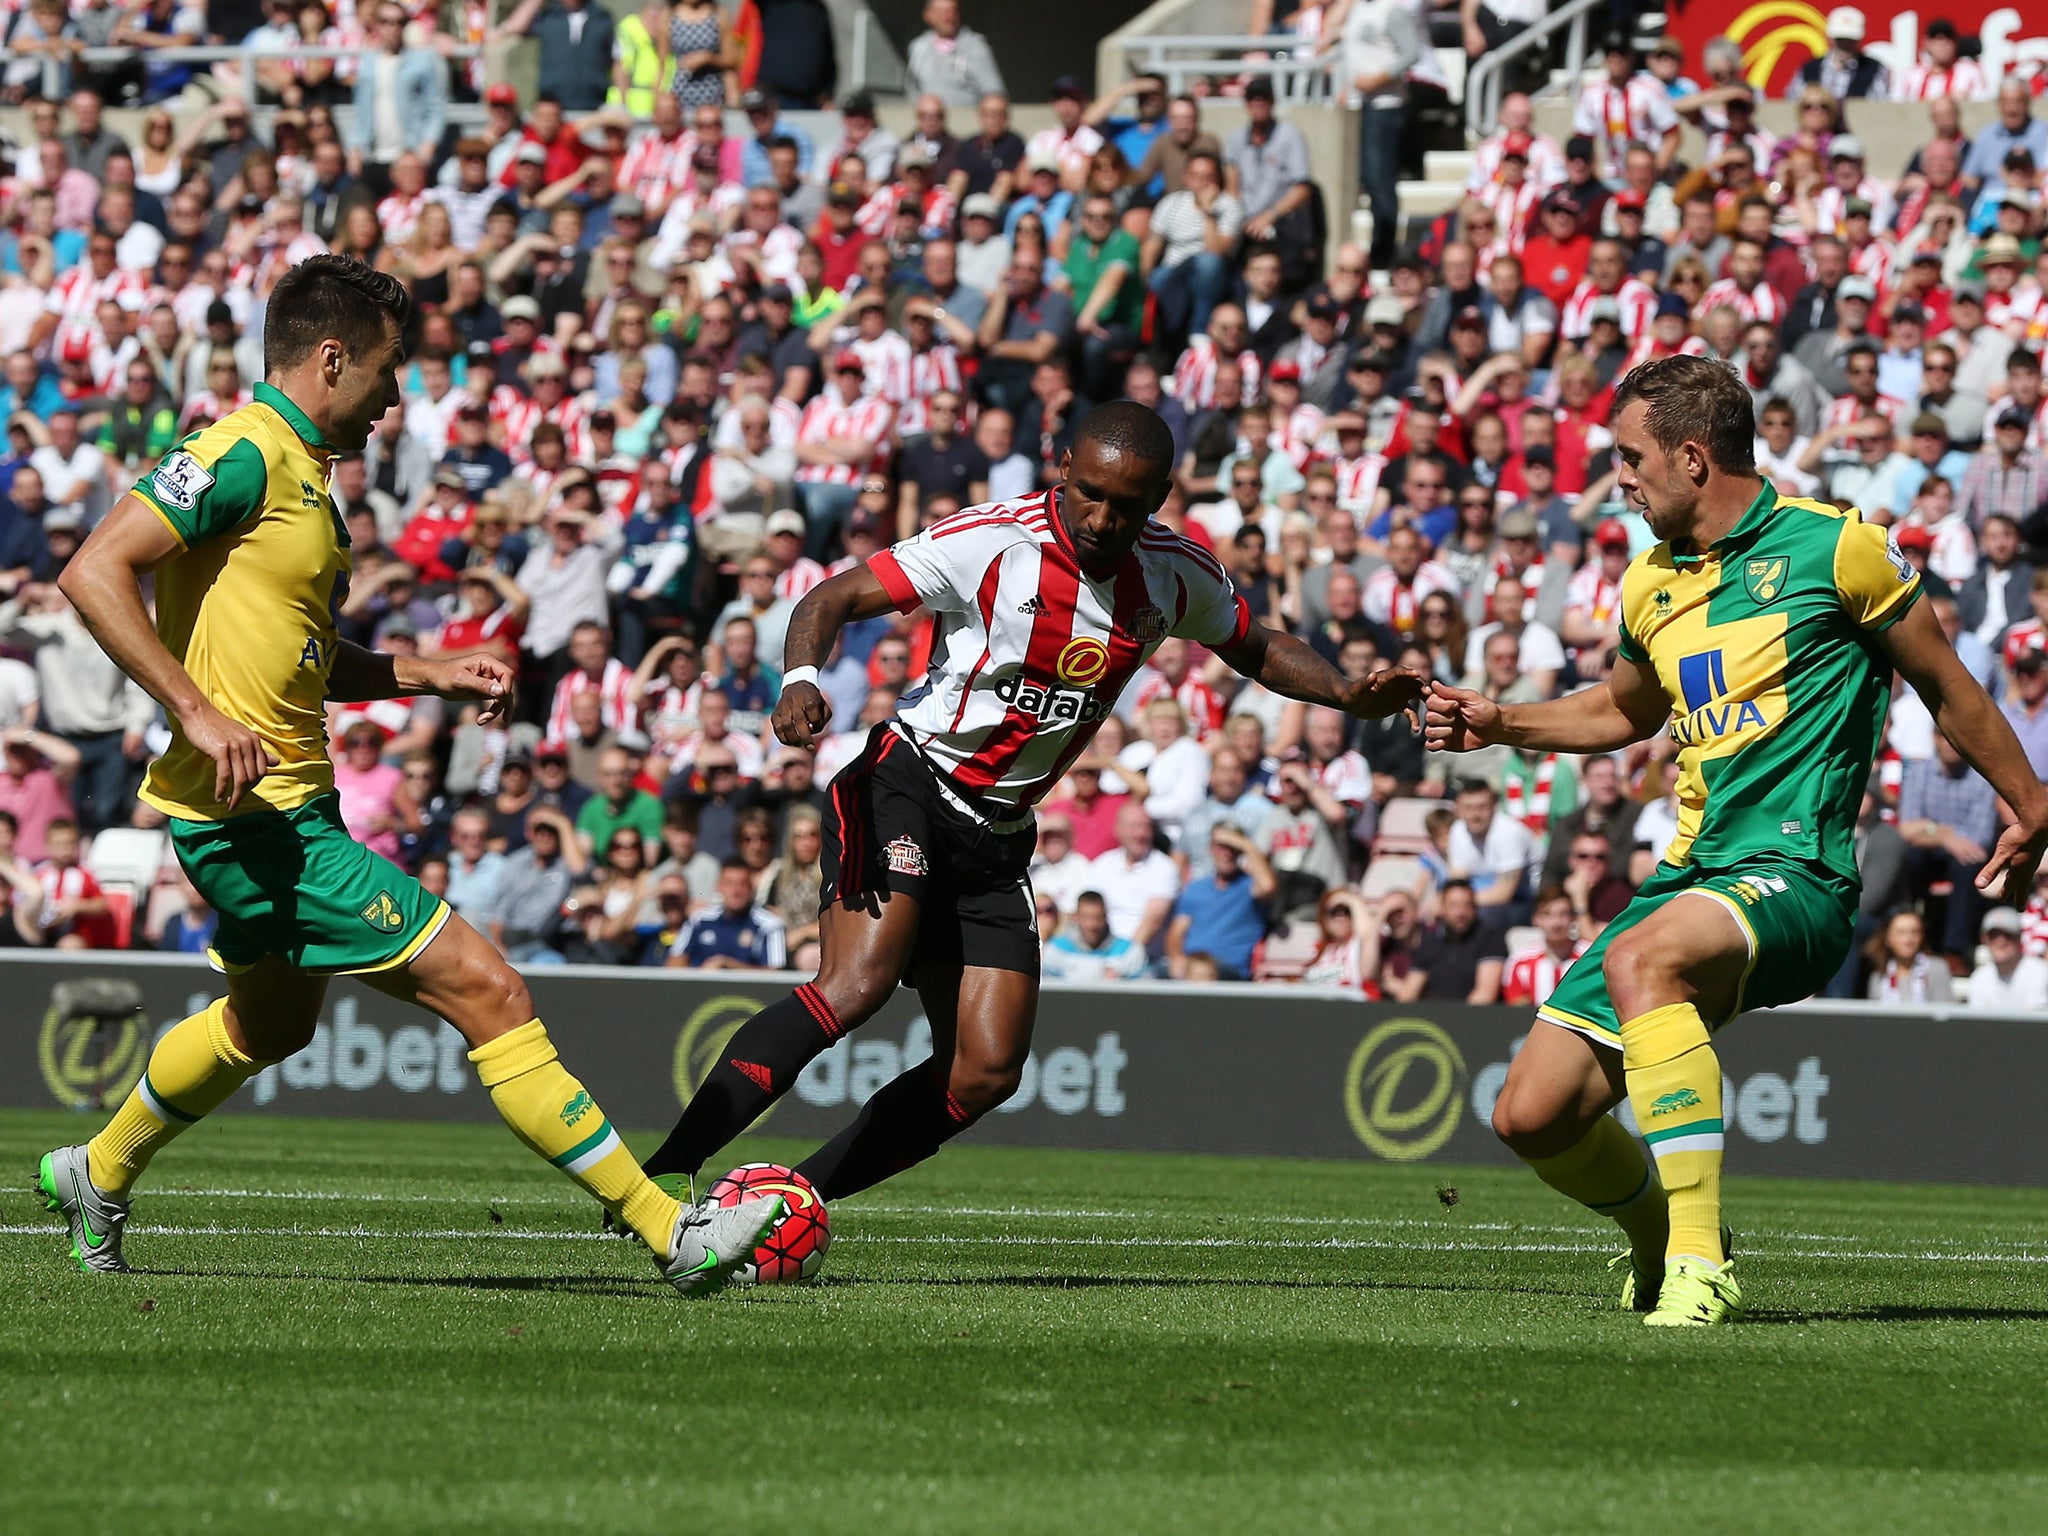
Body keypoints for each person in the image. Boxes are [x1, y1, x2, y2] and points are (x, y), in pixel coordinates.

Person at [35, 256, 780, 1294]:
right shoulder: (239, 452)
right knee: (491, 989)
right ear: (331, 359)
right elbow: (92, 569)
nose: (396, 399)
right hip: (263, 821)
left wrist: (417, 671)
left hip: (279, 804)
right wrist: (194, 712)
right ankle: (673, 1230)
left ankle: (95, 1170)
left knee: (271, 1023)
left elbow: (287, 644)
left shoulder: (302, 473)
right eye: (387, 372)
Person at [631, 401, 1425, 1205]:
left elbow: (1257, 646)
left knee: (985, 1072)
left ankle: (782, 1204)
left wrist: (1347, 693)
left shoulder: (1174, 571)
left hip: (998, 834)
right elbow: (828, 600)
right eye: (1091, 492)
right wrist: (800, 678)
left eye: (1129, 503)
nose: (1104, 516)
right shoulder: (991, 540)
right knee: (857, 986)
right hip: (908, 781)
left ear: (1161, 497)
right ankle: (663, 1174)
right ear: (1063, 467)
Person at [1425, 354, 2048, 1325]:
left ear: (1688, 457)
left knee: (1643, 959)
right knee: (1529, 1113)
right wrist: (1500, 722)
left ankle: (1698, 1262)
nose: (1617, 480)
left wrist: (2028, 799)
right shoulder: (1648, 584)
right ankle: (1655, 1240)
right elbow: (1618, 710)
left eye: (1628, 460)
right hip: (1691, 876)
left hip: (1796, 876)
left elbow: (1946, 684)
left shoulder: (1835, 551)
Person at [1039, 888, 1146, 981]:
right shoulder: (1055, 950)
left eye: (1097, 917)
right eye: (1086, 917)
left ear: (1106, 917)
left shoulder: (1129, 951)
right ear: (1076, 917)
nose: (1092, 925)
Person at [1970, 906, 2048, 1010]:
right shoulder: (1980, 977)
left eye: (2008, 935)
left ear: (2019, 938)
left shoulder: (2040, 972)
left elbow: (2033, 1022)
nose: (2000, 942)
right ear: (1984, 939)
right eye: (1993, 935)